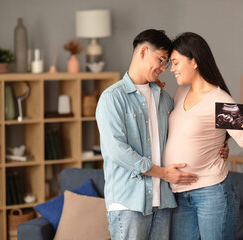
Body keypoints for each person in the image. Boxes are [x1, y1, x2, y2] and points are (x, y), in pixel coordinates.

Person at [96, 29, 229, 240]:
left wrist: (220, 144)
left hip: (165, 202)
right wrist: (163, 173)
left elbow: (187, 130)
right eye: (161, 60)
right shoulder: (112, 98)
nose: (163, 68)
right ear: (143, 52)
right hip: (129, 203)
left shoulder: (166, 99)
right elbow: (117, 151)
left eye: (167, 63)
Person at [164, 32, 243, 240]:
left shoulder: (220, 99)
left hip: (211, 192)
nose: (171, 69)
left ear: (195, 61)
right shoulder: (180, 93)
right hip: (179, 193)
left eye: (176, 63)